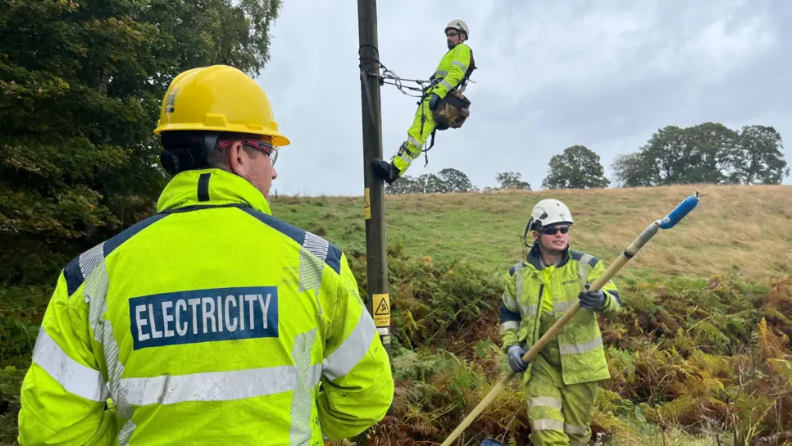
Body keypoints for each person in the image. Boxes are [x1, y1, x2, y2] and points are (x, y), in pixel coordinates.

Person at [17, 65, 394, 445]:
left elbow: (51, 431)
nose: (274, 174)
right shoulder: (315, 262)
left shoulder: (91, 275)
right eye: (269, 152)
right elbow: (366, 396)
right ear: (238, 157)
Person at [499, 199, 623, 445]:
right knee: (547, 435)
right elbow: (509, 316)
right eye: (552, 230)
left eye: (564, 229)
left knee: (576, 435)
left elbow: (615, 305)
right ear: (536, 234)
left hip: (582, 367)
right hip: (539, 364)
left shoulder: (588, 266)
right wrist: (512, 347)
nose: (559, 234)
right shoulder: (517, 274)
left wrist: (601, 300)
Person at [372, 19, 475, 184]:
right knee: (416, 134)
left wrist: (438, 94)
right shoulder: (451, 53)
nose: (449, 38)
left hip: (438, 97)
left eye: (453, 34)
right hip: (435, 95)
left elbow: (454, 75)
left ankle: (395, 169)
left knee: (416, 135)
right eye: (447, 35)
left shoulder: (462, 49)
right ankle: (395, 167)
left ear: (462, 36)